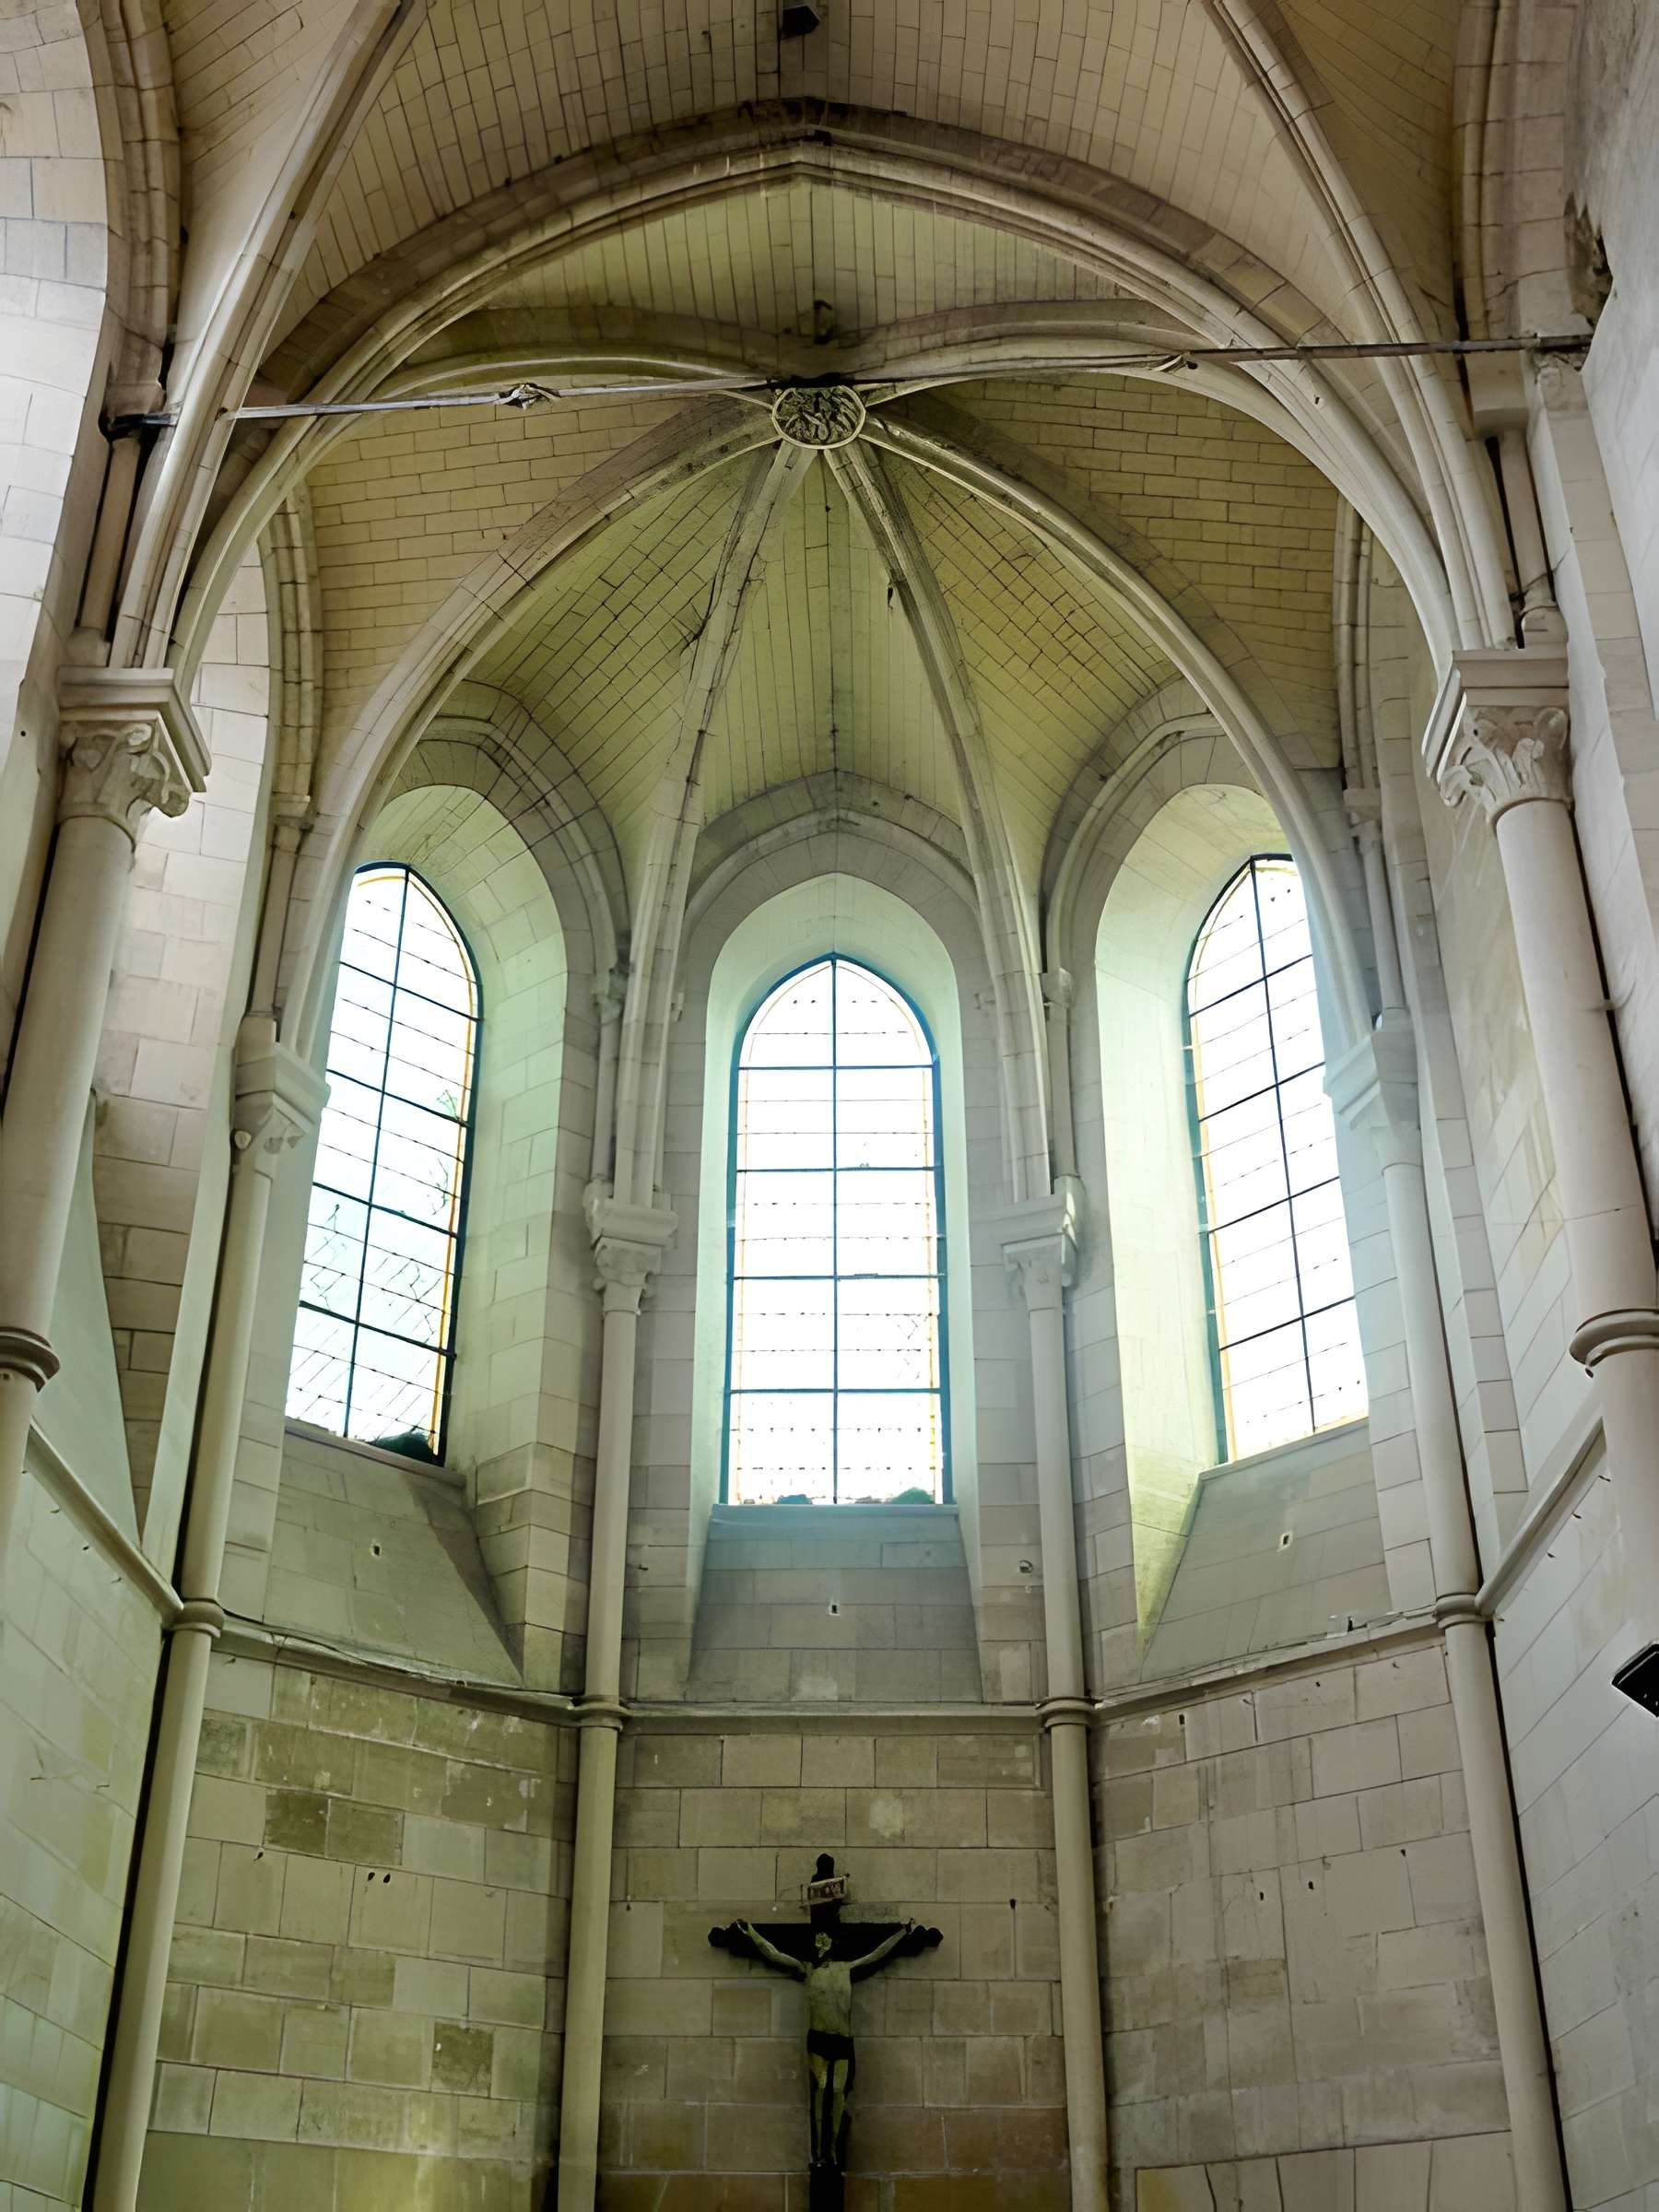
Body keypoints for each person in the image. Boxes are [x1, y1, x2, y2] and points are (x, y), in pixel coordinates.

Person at [735, 1919, 916, 2169]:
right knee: (821, 2089)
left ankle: (832, 2152)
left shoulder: (846, 1968)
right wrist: (751, 1932)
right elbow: (774, 1954)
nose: (821, 1942)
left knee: (838, 2091)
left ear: (831, 1943)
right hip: (819, 2037)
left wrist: (902, 1934)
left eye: (824, 1939)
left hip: (842, 2038)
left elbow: (877, 1953)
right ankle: (819, 2151)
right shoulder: (809, 1969)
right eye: (818, 1939)